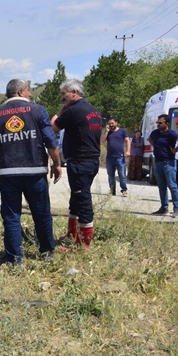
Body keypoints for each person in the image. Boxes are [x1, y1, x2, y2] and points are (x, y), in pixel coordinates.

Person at [0, 79, 62, 265]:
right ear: (20, 92)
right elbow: (50, 141)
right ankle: (47, 251)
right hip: (34, 171)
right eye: (28, 91)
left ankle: (14, 259)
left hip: (6, 173)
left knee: (11, 216)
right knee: (41, 212)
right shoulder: (38, 110)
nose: (30, 94)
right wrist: (57, 163)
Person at [51, 79, 102, 250]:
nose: (61, 98)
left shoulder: (73, 110)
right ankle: (72, 233)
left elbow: (53, 127)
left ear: (74, 92)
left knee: (82, 199)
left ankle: (83, 243)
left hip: (80, 161)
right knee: (76, 197)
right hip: (91, 160)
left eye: (63, 94)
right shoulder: (93, 110)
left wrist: (61, 110)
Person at [149, 115, 178, 217]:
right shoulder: (155, 133)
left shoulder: (171, 133)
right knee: (161, 186)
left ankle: (177, 208)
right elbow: (150, 139)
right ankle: (164, 208)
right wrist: (156, 146)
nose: (158, 124)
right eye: (158, 122)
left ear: (167, 124)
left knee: (172, 186)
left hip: (168, 162)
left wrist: (174, 150)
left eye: (160, 123)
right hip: (158, 162)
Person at [101, 117, 130, 196]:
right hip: (110, 157)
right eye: (110, 123)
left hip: (119, 157)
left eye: (112, 123)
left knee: (122, 175)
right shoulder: (108, 132)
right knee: (110, 175)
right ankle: (112, 190)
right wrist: (106, 132)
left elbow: (127, 141)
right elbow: (102, 141)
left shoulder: (122, 131)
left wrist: (128, 151)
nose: (111, 125)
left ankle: (124, 190)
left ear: (116, 123)